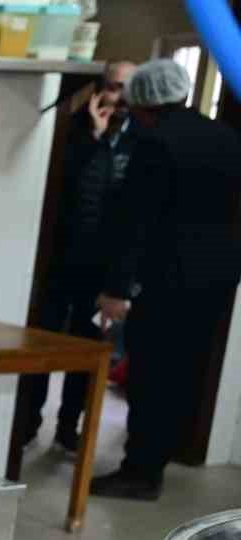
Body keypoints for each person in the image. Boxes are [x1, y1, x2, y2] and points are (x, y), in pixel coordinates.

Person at [93, 58, 241, 501]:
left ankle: (139, 471)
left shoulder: (154, 144)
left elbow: (135, 222)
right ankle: (158, 456)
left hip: (166, 281)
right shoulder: (227, 138)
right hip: (216, 281)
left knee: (150, 375)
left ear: (144, 104)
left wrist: (116, 289)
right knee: (182, 373)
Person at [18, 60, 138, 454]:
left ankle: (70, 425)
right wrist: (94, 138)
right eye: (111, 87)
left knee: (86, 352)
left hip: (102, 268)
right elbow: (69, 189)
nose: (116, 97)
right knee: (43, 342)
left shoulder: (142, 141)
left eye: (124, 89)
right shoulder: (73, 133)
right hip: (61, 258)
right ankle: (27, 420)